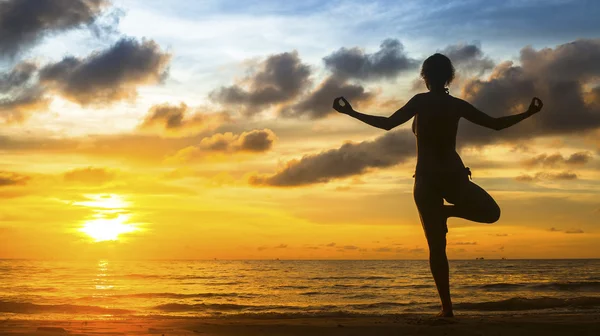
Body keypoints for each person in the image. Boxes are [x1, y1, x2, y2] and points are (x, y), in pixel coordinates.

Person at [332, 53, 543, 317]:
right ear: (449, 77)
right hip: (451, 175)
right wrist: (528, 113)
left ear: (425, 76)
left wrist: (351, 112)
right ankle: (447, 304)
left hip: (428, 179)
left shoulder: (421, 102)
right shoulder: (456, 105)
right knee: (490, 214)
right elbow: (495, 125)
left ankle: (447, 309)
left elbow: (387, 124)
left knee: (437, 248)